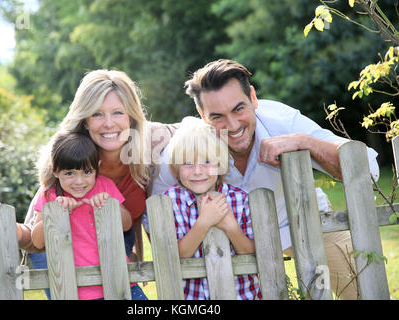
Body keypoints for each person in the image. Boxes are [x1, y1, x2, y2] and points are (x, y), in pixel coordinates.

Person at [149, 59, 380, 300]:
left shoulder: (283, 121)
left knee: (362, 288)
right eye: (218, 117)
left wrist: (304, 142)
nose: (233, 125)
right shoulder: (189, 151)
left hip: (302, 221)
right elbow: (156, 219)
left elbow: (368, 171)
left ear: (252, 97)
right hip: (229, 242)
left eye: (239, 109)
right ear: (202, 115)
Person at [0, 69, 177, 299]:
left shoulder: (150, 148)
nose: (109, 123)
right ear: (84, 121)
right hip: (62, 259)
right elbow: (35, 239)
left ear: (131, 116)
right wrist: (3, 224)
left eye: (118, 112)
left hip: (113, 248)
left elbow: (195, 131)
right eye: (97, 114)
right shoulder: (66, 168)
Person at [28, 131, 146, 300]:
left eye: (87, 172)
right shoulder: (51, 195)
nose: (79, 181)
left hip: (120, 283)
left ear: (97, 166)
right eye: (69, 173)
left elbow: (127, 224)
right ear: (55, 171)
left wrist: (111, 206)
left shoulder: (105, 186)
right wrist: (55, 214)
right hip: (76, 291)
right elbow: (38, 241)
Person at [165, 117, 261, 300]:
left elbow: (252, 254)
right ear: (176, 167)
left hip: (242, 295)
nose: (197, 171)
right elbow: (176, 255)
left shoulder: (240, 200)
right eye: (187, 163)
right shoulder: (171, 201)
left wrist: (231, 226)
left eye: (207, 162)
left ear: (220, 164)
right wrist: (204, 222)